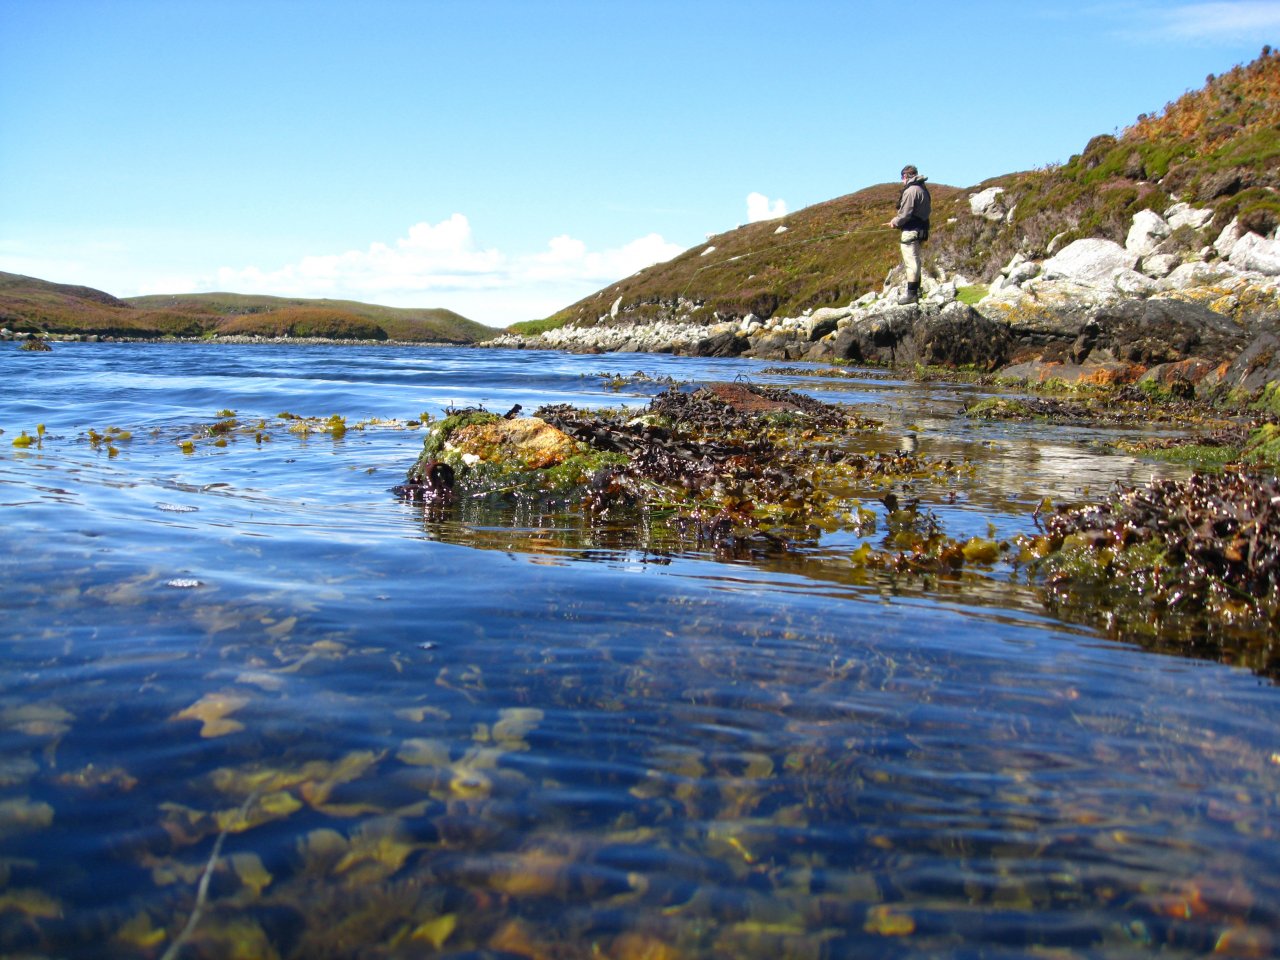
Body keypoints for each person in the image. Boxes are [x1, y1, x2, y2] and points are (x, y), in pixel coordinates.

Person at [886, 164, 931, 304]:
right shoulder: (923, 189)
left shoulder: (911, 191)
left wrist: (895, 222)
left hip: (911, 231)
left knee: (911, 261)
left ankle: (912, 294)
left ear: (906, 176)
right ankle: (916, 292)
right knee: (916, 260)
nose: (901, 181)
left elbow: (905, 213)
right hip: (921, 230)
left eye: (902, 177)